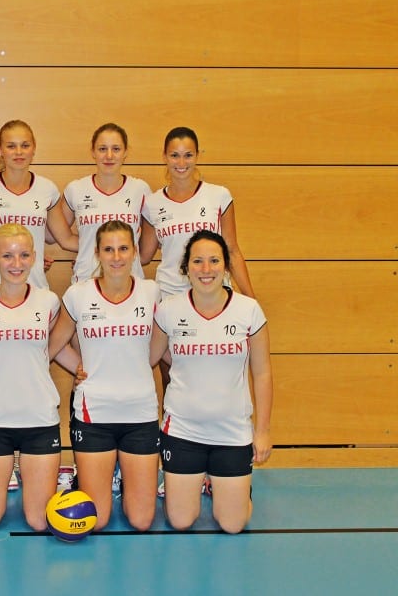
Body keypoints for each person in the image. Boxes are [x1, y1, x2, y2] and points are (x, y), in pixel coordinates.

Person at [149, 230, 273, 534]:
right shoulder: (169, 311)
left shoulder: (249, 311)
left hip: (231, 432)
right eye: (198, 261)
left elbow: (263, 372)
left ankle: (236, 491)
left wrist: (263, 431)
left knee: (232, 525)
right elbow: (149, 358)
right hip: (183, 431)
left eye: (214, 261)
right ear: (186, 268)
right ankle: (211, 485)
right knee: (180, 521)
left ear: (226, 266)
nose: (206, 269)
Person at [0, 224, 80, 531]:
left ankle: (19, 478)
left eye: (24, 255)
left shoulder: (49, 301)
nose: (16, 263)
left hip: (39, 420)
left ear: (34, 258)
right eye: (8, 256)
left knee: (40, 522)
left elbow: (55, 349)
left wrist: (89, 373)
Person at [48, 220, 160, 531]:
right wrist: (77, 368)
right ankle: (89, 479)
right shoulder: (79, 294)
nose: (116, 257)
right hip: (94, 413)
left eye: (123, 248)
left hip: (140, 413)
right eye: (108, 249)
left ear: (135, 252)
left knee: (141, 520)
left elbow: (162, 347)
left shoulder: (152, 293)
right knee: (96, 522)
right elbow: (53, 345)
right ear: (97, 253)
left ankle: (127, 480)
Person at [140, 127, 254, 298]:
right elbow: (143, 257)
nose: (181, 163)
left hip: (214, 293)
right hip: (171, 295)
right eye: (174, 155)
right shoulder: (152, 203)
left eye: (188, 155)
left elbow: (232, 251)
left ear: (197, 156)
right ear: (164, 156)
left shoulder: (219, 196)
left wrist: (251, 299)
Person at [0, 120, 77, 290]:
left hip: (34, 283)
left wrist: (105, 246)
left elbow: (66, 239)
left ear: (34, 148)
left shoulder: (47, 189)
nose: (19, 152)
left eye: (25, 145)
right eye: (11, 146)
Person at [62, 123, 150, 283]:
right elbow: (60, 237)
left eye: (116, 149)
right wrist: (87, 248)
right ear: (93, 152)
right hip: (86, 281)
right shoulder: (76, 189)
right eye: (102, 149)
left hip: (130, 283)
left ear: (125, 152)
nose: (109, 156)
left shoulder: (140, 189)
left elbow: (146, 249)